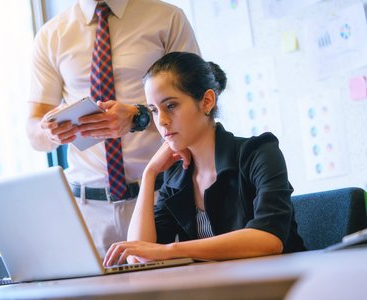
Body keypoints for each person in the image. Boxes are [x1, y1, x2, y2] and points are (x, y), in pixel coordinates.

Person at [26, 0, 200, 258]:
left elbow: (199, 105)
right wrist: (49, 132)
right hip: (89, 212)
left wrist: (139, 116)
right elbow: (33, 131)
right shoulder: (52, 35)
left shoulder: (167, 18)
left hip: (161, 198)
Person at [103, 52, 306, 266]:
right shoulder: (176, 175)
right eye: (153, 110)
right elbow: (138, 256)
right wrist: (150, 173)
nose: (161, 121)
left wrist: (170, 250)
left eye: (170, 106)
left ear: (207, 101)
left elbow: (269, 240)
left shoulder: (259, 153)